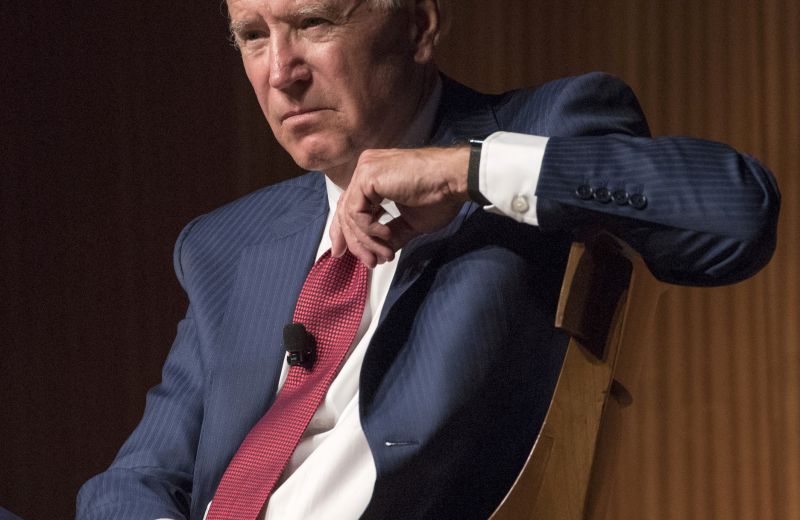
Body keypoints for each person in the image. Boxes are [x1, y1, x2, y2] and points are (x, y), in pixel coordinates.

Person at [77, 0, 780, 518]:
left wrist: (467, 171)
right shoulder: (225, 244)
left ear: (418, 24)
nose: (280, 72)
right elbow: (135, 479)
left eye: (313, 23)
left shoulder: (541, 131)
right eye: (253, 36)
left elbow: (737, 216)